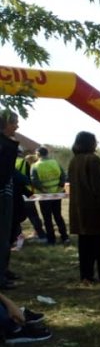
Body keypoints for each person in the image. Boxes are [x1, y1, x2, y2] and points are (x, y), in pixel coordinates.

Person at [67, 131, 100, 284]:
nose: (97, 143)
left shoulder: (74, 161)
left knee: (85, 245)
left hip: (80, 210)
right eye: (95, 141)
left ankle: (86, 275)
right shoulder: (93, 160)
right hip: (96, 211)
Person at [31, 147, 70, 245]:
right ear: (47, 153)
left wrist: (43, 189)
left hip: (44, 196)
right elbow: (63, 176)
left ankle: (51, 240)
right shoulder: (55, 163)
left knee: (47, 218)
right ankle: (65, 237)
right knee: (58, 216)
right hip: (57, 194)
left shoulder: (35, 166)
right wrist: (59, 186)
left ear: (37, 154)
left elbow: (34, 181)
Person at [0, 111, 20, 290]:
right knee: (2, 237)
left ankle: (3, 271)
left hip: (7, 195)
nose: (17, 127)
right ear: (6, 124)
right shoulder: (5, 146)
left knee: (7, 237)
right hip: (2, 197)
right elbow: (5, 173)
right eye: (15, 123)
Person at [16, 153, 47, 242]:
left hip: (16, 193)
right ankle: (41, 235)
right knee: (33, 214)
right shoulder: (25, 162)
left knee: (15, 216)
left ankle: (17, 237)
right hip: (28, 192)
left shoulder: (9, 162)